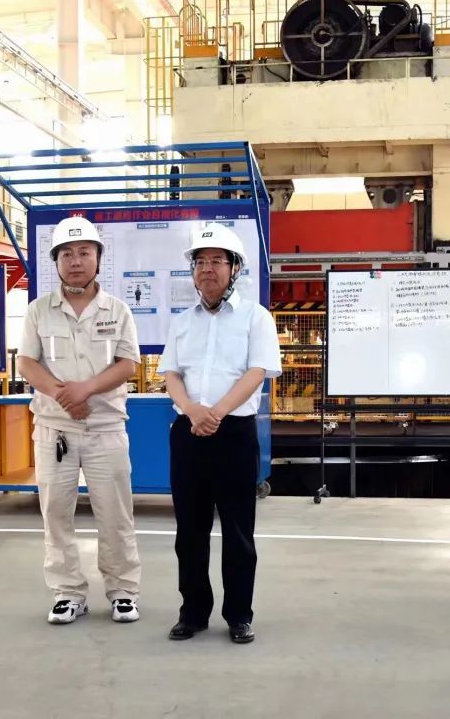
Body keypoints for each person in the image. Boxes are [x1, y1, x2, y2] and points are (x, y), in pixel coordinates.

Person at [157, 223, 281, 644]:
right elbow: (171, 374)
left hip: (234, 434)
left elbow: (257, 372)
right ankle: (192, 613)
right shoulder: (182, 322)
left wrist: (217, 413)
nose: (207, 269)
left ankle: (239, 615)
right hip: (188, 433)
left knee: (238, 531)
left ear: (234, 269)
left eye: (216, 261)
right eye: (200, 262)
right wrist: (193, 411)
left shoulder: (256, 317)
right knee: (189, 532)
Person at [16, 216, 143, 624]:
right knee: (56, 513)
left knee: (115, 513)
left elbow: (127, 364)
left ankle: (123, 591)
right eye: (67, 254)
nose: (76, 261)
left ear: (98, 258)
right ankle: (68, 592)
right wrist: (64, 397)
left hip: (106, 428)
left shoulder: (117, 310)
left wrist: (85, 390)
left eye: (84, 252)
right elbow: (26, 363)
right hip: (55, 429)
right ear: (56, 261)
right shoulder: (38, 311)